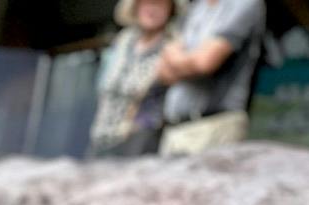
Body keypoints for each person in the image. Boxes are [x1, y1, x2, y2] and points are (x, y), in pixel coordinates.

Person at [157, 0, 268, 153]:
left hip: (215, 124)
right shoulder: (196, 7)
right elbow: (162, 72)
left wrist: (177, 60)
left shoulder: (245, 4)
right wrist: (189, 62)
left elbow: (205, 62)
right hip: (175, 127)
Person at [91, 0, 182, 156]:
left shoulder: (174, 45)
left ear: (170, 10)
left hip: (142, 137)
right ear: (135, 7)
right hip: (102, 135)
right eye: (147, 3)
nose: (152, 9)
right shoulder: (123, 41)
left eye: (160, 4)